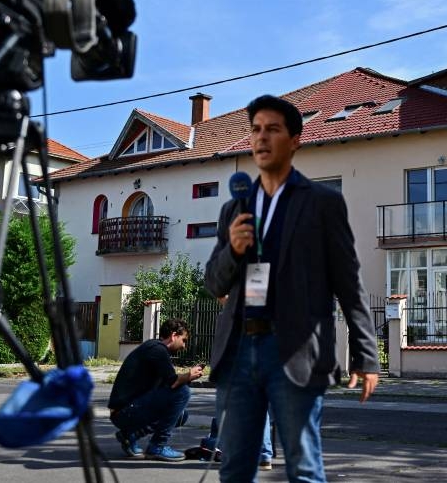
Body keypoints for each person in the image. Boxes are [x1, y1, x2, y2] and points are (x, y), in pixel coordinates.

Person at [205, 94, 380, 483]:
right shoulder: (234, 209)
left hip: (296, 352)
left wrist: (366, 355)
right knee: (233, 468)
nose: (261, 138)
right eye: (255, 130)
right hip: (237, 353)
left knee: (303, 468)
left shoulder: (323, 203)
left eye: (273, 129)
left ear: (296, 140)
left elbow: (349, 283)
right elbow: (213, 282)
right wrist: (232, 251)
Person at [107, 317, 204, 462]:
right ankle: (157, 446)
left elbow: (167, 388)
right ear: (173, 335)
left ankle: (131, 435)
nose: (184, 346)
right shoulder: (157, 350)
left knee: (180, 415)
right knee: (183, 392)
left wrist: (186, 378)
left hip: (126, 411)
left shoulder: (155, 349)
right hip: (124, 412)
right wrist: (189, 375)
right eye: (183, 340)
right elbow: (174, 382)